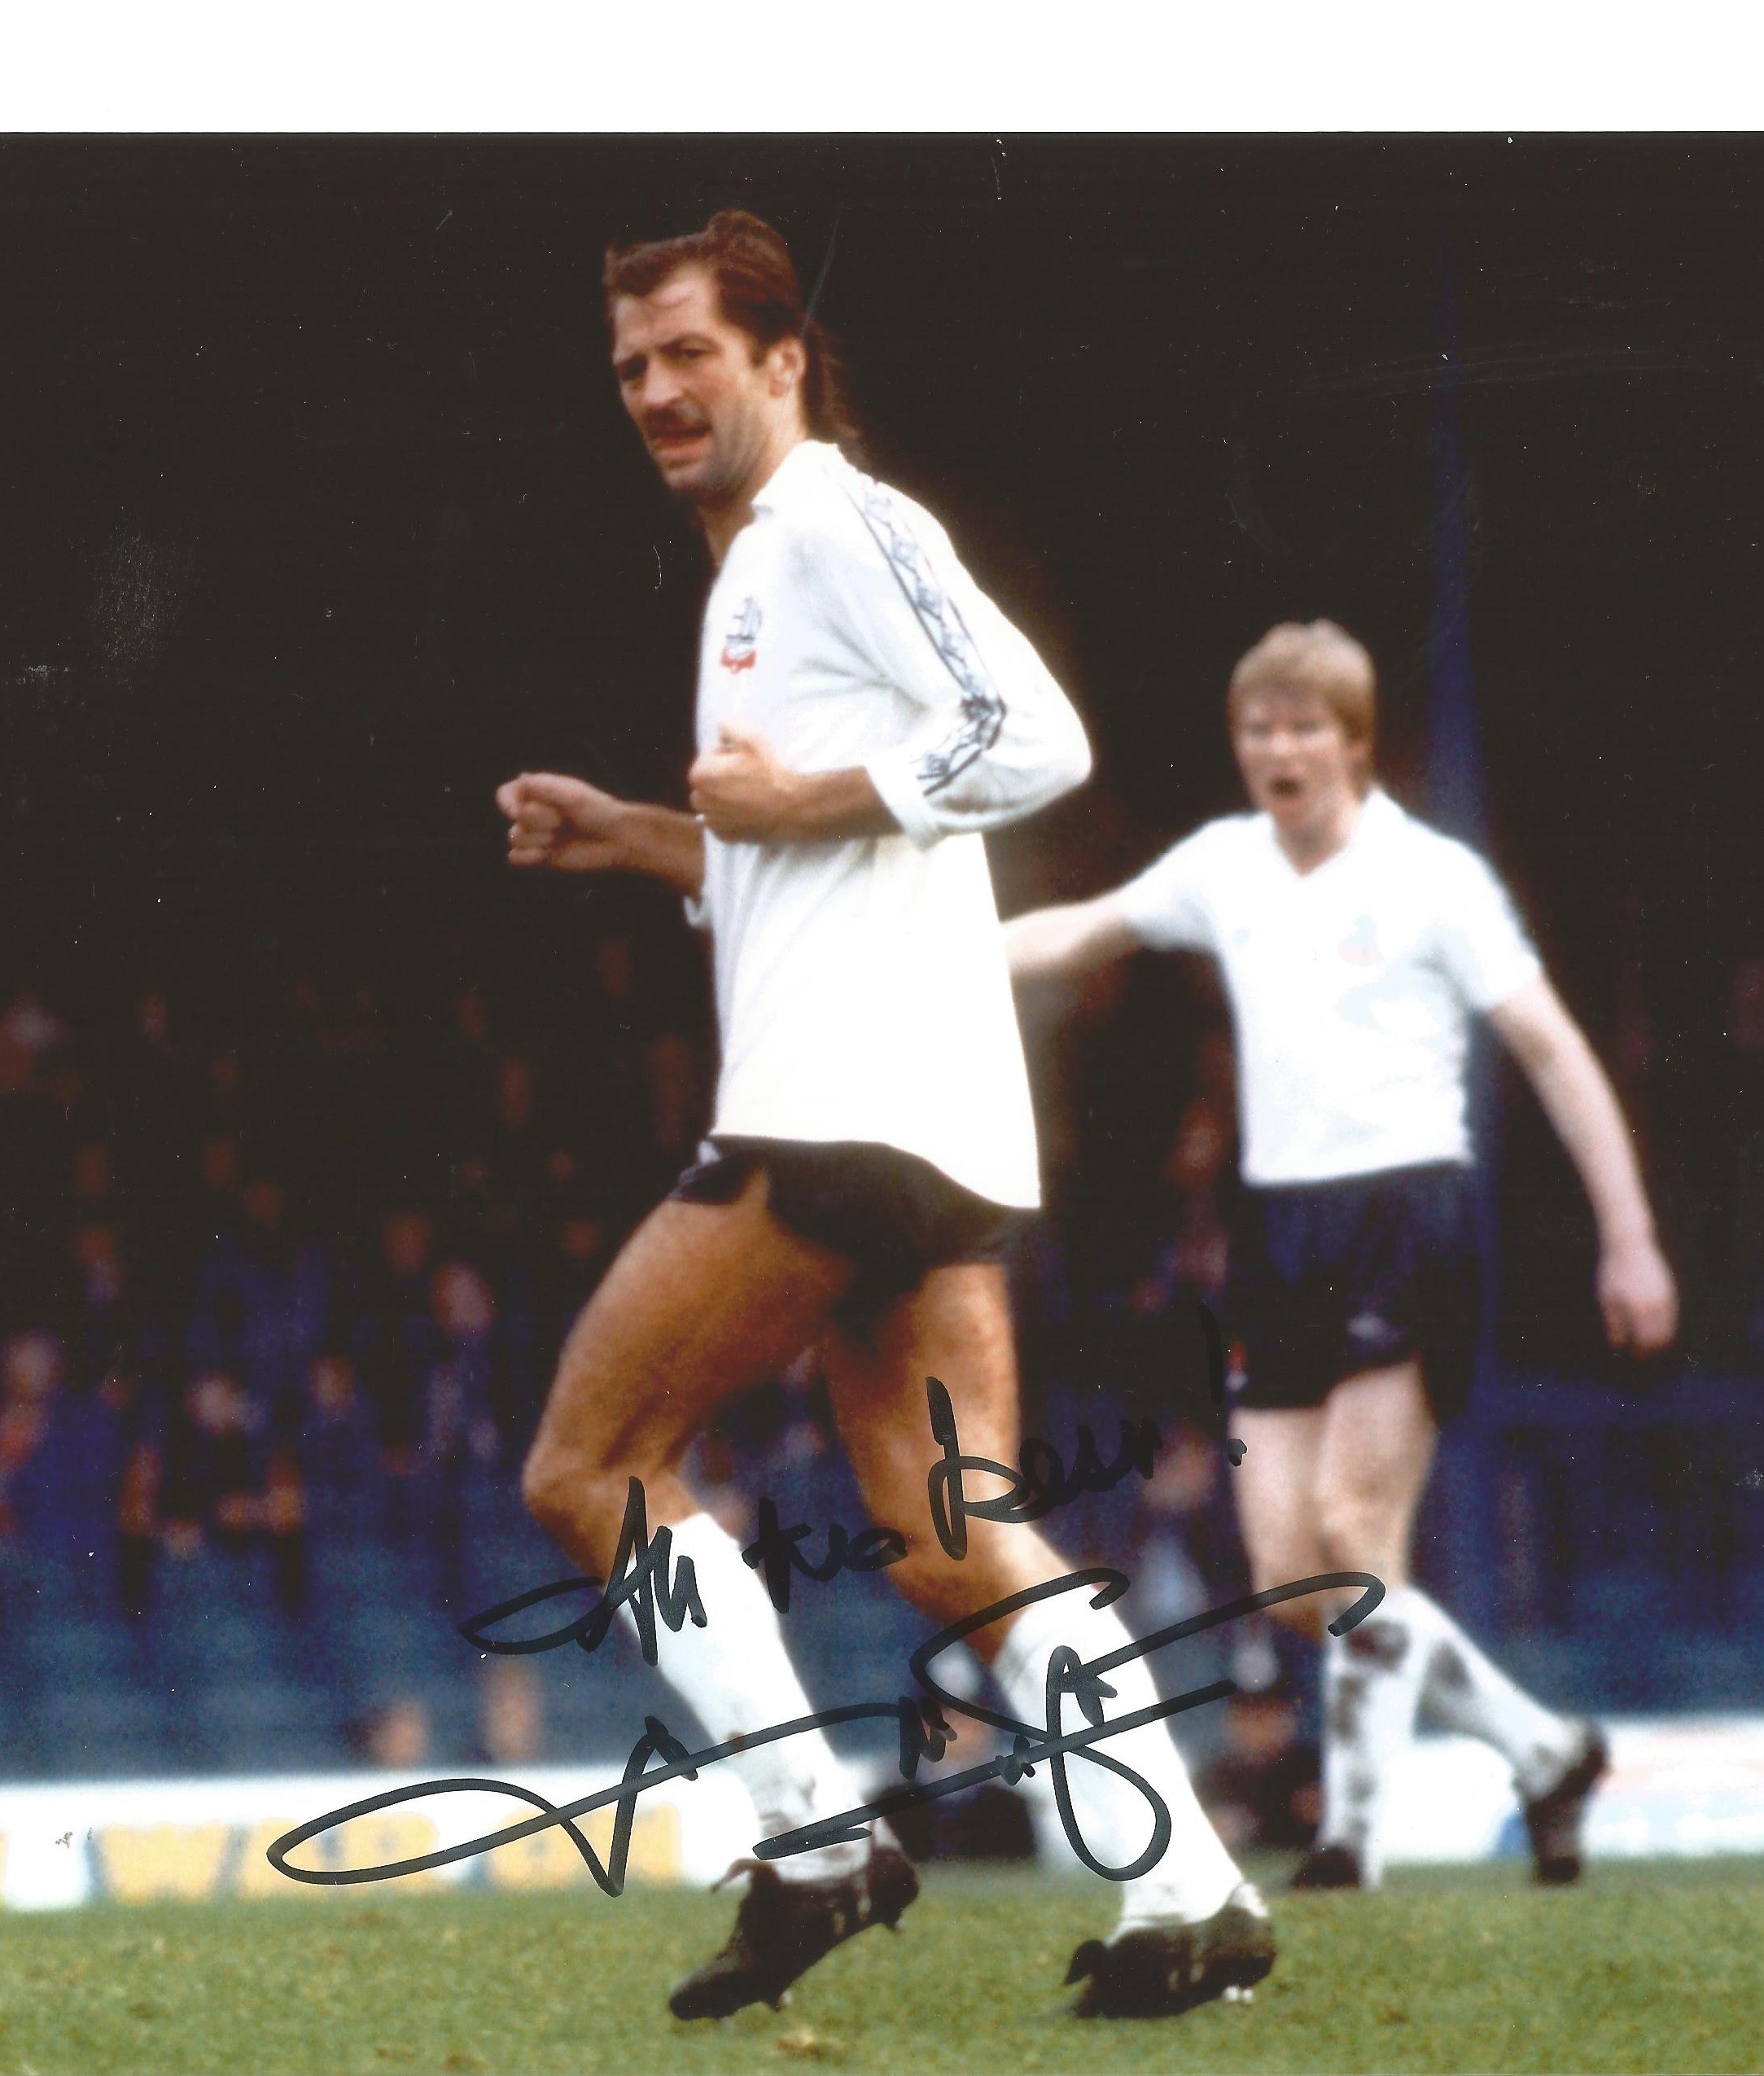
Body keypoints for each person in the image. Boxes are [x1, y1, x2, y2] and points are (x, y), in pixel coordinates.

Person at [495, 209, 1279, 2021]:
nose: (654, 392)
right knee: (946, 1537)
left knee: (584, 1467)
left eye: (689, 351)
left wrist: (804, 799)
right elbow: (808, 855)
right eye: (627, 366)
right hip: (907, 1114)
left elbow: (1035, 739)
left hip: (843, 1104)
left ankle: (813, 1843)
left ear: (780, 360)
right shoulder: (755, 571)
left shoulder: (836, 520)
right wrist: (642, 838)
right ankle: (1191, 1895)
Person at [1005, 619, 1681, 1890]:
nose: (1279, 748)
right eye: (1259, 728)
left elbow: (1552, 1049)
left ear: (1355, 744)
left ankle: (1352, 1841)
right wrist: (943, 964)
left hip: (1409, 1218)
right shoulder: (1224, 864)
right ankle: (1546, 1748)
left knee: (1359, 1527)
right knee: (1285, 1573)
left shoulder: (1436, 878)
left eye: (1306, 726)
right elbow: (1084, 930)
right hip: (1281, 1232)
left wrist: (1629, 1232)